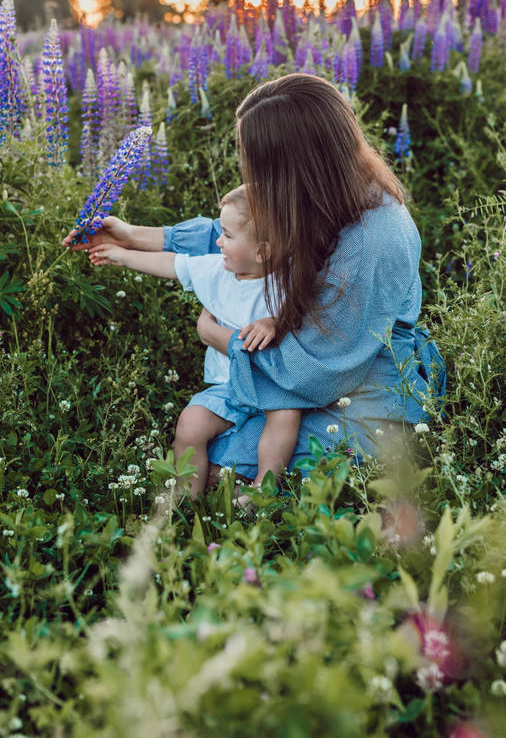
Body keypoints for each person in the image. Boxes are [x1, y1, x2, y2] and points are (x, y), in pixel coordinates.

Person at [64, 74, 445, 486]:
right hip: (310, 369)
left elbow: (319, 373)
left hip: (364, 390)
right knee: (207, 444)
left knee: (221, 465)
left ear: (296, 165)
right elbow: (246, 235)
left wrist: (223, 340)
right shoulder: (329, 194)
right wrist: (133, 235)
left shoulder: (372, 239)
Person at [85, 184, 301, 497]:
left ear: (262, 251)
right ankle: (186, 504)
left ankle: (263, 491)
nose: (218, 241)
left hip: (271, 384)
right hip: (226, 387)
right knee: (190, 424)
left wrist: (275, 321)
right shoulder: (217, 271)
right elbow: (172, 264)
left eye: (227, 235)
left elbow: (308, 311)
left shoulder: (289, 280)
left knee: (286, 416)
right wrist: (121, 255)